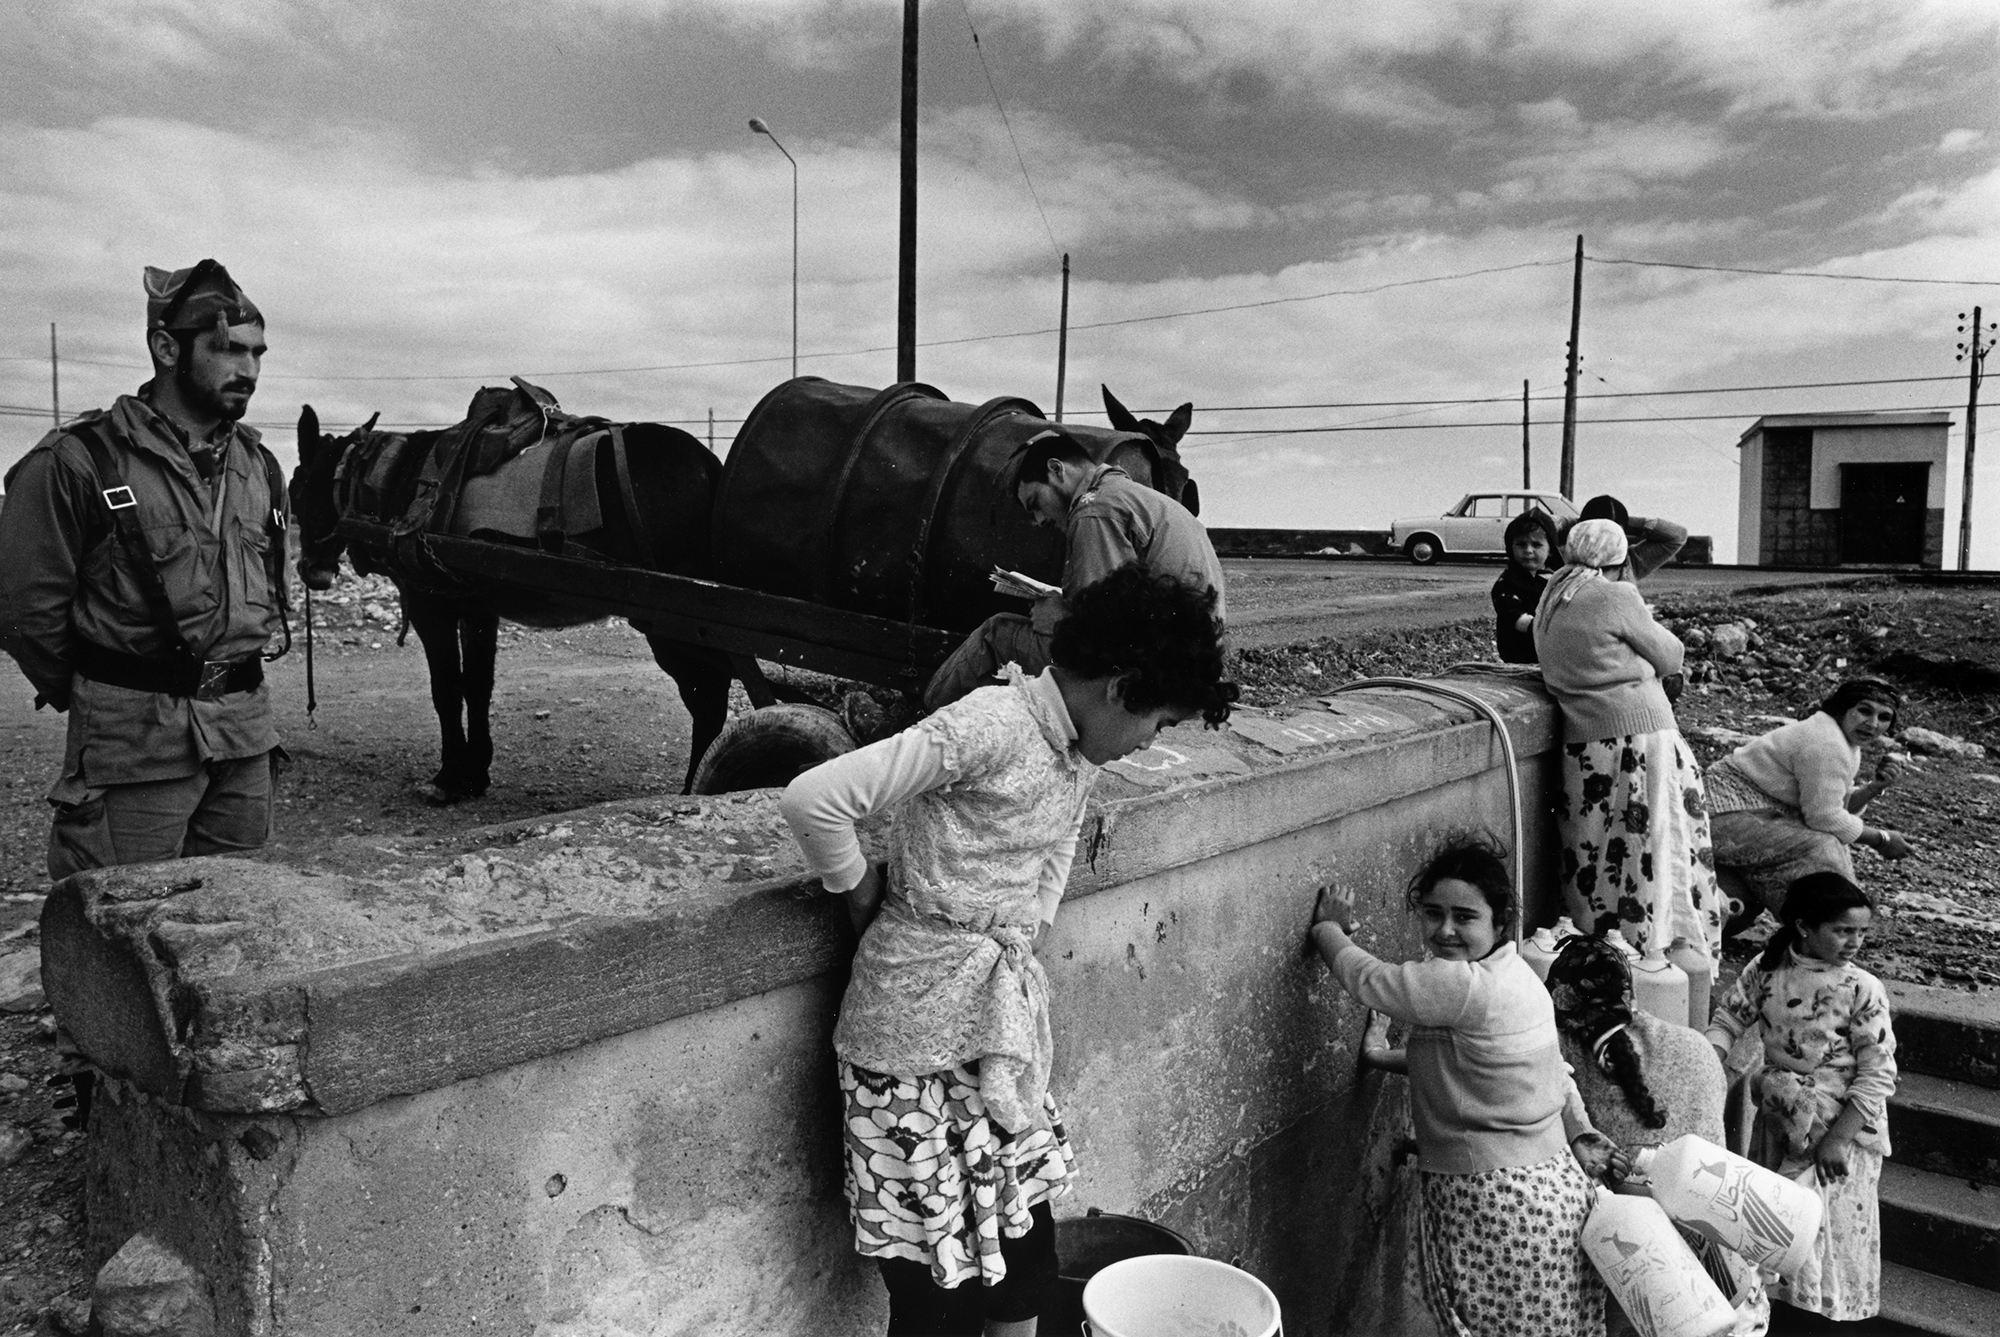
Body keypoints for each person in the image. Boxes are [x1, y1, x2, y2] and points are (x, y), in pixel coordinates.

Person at [782, 567, 1236, 1335]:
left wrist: (1030, 933)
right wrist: (864, 897)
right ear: (1121, 688)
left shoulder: (1077, 753)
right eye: (1157, 722)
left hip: (999, 1033)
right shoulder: (990, 723)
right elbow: (815, 798)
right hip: (910, 1038)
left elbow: (1056, 850)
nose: (1148, 743)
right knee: (932, 1288)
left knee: (1025, 1260)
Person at [0, 260, 290, 883]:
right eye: (227, 350)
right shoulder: (78, 462)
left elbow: (268, 585)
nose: (249, 371)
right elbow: (26, 612)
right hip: (135, 748)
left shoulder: (260, 466)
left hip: (243, 738)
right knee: (119, 931)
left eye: (257, 354)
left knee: (236, 931)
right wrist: (105, 688)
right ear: (165, 348)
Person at [1309, 835, 1615, 1337]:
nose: (1445, 929)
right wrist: (1379, 1057)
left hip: (1499, 1201)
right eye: (1433, 913)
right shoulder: (1519, 979)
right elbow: (1473, 1068)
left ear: (1500, 922)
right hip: (1553, 1194)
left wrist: (1327, 927)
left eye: (1465, 917)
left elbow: (1367, 979)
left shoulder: (1464, 987)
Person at [1548, 936, 1769, 1337]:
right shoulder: (1694, 1046)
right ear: (1630, 994)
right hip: (1735, 1288)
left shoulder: (1562, 1057)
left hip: (1659, 1293)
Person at [1705, 873, 1897, 1328]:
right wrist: (1706, 1063)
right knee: (1779, 1241)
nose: (1855, 942)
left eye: (1862, 932)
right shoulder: (1766, 970)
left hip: (1841, 1134)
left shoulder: (1861, 988)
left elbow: (1878, 1073)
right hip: (1781, 1124)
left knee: (1825, 1246)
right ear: (1805, 927)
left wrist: (1836, 1141)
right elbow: (1728, 1019)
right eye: (1843, 931)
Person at [921, 428, 1226, 711]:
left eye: (1035, 503)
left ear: (1057, 470)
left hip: (1156, 668)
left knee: (996, 633)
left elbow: (1101, 624)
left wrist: (1057, 615)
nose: (1040, 520)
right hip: (1186, 659)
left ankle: (928, 720)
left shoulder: (1095, 510)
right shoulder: (1130, 496)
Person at [1535, 518, 1722, 961]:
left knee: (1593, 843)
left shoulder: (1553, 593)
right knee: (1653, 838)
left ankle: (1598, 938)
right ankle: (1653, 946)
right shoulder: (1614, 593)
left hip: (1583, 737)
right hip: (1638, 732)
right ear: (1619, 561)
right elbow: (1671, 655)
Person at [1706, 678, 1913, 919]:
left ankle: (1826, 923)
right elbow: (1824, 819)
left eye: (1884, 717)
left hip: (1753, 815)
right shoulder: (1826, 742)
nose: (1873, 724)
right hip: (1719, 813)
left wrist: (1874, 788)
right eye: (1864, 711)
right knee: (1821, 845)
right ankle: (1830, 924)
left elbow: (1834, 809)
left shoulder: (1841, 739)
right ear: (1843, 708)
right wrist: (1882, 840)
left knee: (1827, 842)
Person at [1490, 508, 1562, 664]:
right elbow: (1513, 615)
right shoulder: (1507, 583)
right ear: (1511, 548)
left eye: (1536, 545)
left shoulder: (1555, 579)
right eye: (1521, 544)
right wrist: (1542, 628)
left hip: (1549, 652)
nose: (1528, 550)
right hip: (1520, 655)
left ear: (1550, 550)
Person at [1571, 494, 1688, 581]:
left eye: (1614, 536)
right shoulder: (1562, 563)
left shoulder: (1628, 564)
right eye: (1598, 534)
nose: (1606, 542)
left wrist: (1625, 523)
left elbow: (1677, 535)